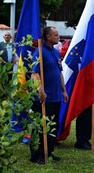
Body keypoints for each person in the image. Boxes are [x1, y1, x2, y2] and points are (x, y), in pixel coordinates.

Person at [30, 26, 68, 164]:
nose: (58, 37)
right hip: (44, 97)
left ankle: (49, 151)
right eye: (56, 35)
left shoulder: (56, 52)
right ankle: (39, 154)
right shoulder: (39, 52)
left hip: (56, 96)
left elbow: (59, 73)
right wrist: (41, 91)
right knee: (42, 126)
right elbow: (35, 74)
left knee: (53, 126)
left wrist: (64, 91)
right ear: (48, 37)